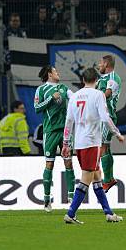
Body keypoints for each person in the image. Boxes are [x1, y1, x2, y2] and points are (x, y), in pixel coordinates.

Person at [62, 68, 124, 224]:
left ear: (83, 80)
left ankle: (109, 213)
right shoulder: (98, 95)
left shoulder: (74, 97)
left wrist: (65, 143)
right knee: (86, 178)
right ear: (96, 80)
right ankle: (70, 213)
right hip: (92, 142)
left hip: (79, 143)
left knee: (97, 176)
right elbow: (105, 117)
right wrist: (117, 133)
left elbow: (68, 122)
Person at [34, 65, 76, 211]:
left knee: (69, 163)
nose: (58, 73)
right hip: (50, 131)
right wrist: (51, 99)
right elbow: (37, 108)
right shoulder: (42, 89)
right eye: (56, 71)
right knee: (49, 165)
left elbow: (76, 98)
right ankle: (46, 200)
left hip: (65, 131)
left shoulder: (64, 88)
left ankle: (72, 199)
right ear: (49, 74)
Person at [96, 55, 121, 192]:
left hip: (108, 116)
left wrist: (92, 97)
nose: (99, 65)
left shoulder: (113, 78)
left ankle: (106, 180)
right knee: (106, 147)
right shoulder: (102, 79)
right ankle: (109, 178)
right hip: (101, 117)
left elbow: (108, 94)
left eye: (100, 63)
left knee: (102, 147)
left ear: (106, 63)